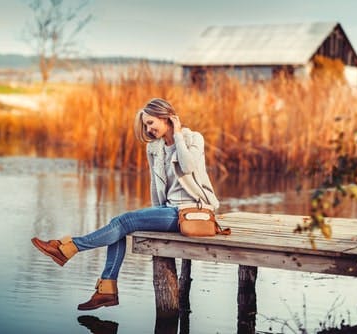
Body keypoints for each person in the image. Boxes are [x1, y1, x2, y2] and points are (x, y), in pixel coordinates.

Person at [31, 97, 220, 310]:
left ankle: (69, 248)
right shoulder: (154, 148)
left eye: (150, 123)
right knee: (119, 224)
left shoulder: (193, 138)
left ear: (166, 117)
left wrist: (177, 134)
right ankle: (106, 290)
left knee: (124, 221)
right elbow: (155, 183)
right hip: (168, 210)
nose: (148, 129)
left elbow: (187, 166)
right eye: (145, 125)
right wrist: (153, 214)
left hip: (192, 211)